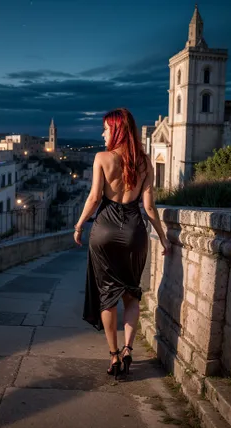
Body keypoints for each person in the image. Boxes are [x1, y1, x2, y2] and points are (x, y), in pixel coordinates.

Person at [74, 108, 171, 379]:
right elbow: (149, 207)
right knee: (131, 295)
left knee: (107, 298)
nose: (102, 133)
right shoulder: (145, 162)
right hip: (134, 233)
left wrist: (80, 224)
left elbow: (94, 198)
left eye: (105, 129)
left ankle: (114, 355)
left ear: (116, 130)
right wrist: (162, 237)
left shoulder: (102, 158)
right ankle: (129, 349)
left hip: (104, 230)